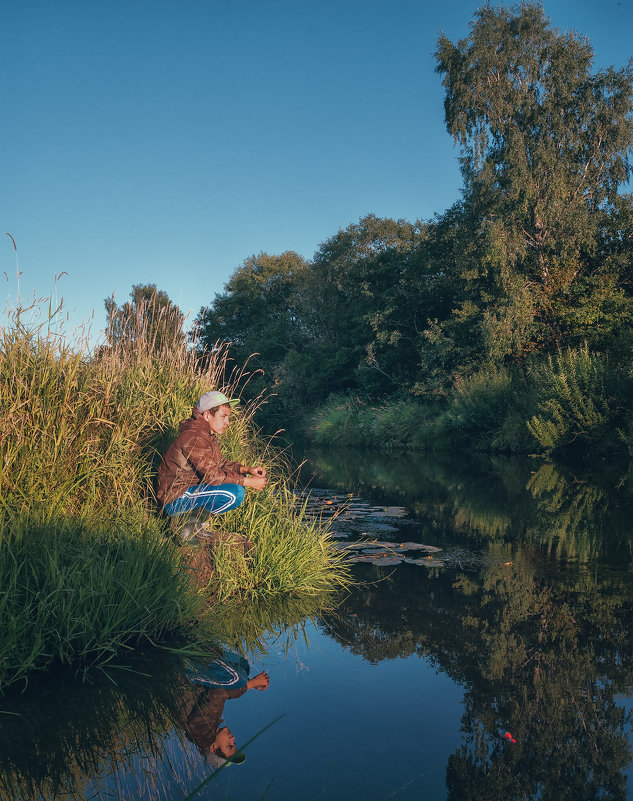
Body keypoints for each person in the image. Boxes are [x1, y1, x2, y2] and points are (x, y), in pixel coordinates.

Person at [156, 391, 267, 522]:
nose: (227, 422)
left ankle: (192, 525)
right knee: (235, 493)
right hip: (175, 498)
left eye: (228, 417)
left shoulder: (206, 435)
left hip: (184, 491)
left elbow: (219, 464)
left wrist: (247, 470)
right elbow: (213, 476)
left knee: (237, 484)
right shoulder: (195, 436)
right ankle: (185, 525)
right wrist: (248, 482)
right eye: (223, 416)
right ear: (207, 415)